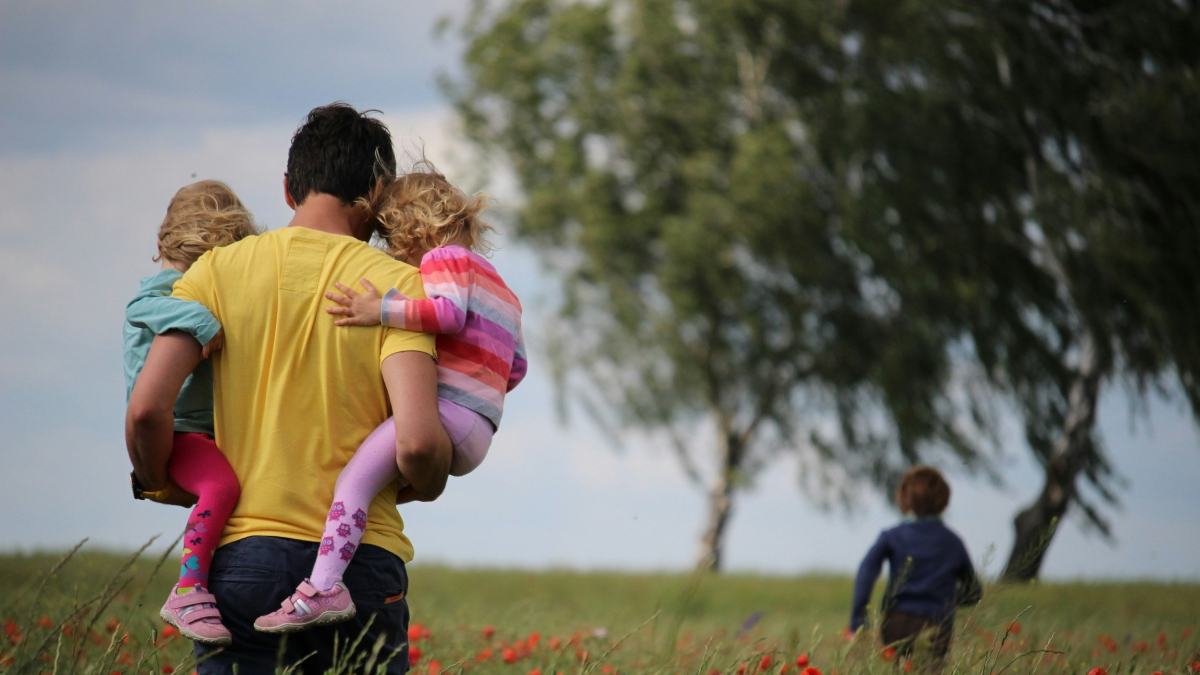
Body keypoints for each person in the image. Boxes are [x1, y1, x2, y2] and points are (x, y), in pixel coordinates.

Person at [126, 103, 453, 674]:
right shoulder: (401, 289)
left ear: (286, 190)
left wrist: (159, 481)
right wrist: (425, 484)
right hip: (362, 566)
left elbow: (147, 410)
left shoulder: (212, 274)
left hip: (241, 562)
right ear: (378, 191)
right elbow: (420, 444)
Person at [254, 167, 527, 632]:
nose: (394, 253)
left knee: (353, 483)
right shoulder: (504, 289)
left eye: (391, 238)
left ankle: (323, 587)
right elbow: (516, 368)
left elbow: (447, 314)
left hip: (447, 414)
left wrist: (378, 309)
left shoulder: (444, 260)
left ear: (412, 229)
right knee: (378, 484)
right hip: (481, 428)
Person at [124, 181, 257, 645]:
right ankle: (189, 588)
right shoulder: (166, 289)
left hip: (201, 432)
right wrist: (202, 321)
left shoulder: (188, 285)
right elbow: (141, 306)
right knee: (221, 486)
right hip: (179, 431)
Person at [848, 466, 982, 669]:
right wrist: (945, 598)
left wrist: (858, 619)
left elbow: (866, 570)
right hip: (936, 623)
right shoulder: (953, 542)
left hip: (896, 622)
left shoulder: (892, 536)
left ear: (904, 498)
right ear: (943, 501)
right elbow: (974, 592)